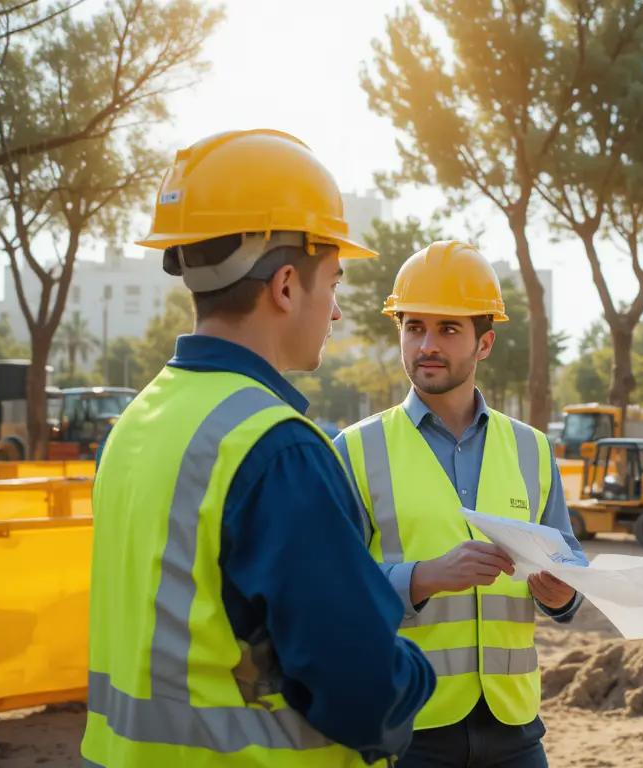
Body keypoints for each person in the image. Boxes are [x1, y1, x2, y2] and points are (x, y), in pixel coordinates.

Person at [81, 130, 435, 768]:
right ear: (287, 286)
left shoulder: (136, 423)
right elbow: (362, 688)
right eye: (335, 283)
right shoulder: (277, 450)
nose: (334, 312)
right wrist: (415, 672)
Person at [336, 240, 587, 768]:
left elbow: (569, 576)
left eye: (448, 329)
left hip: (515, 727)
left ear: (485, 343)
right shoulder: (356, 449)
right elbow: (332, 592)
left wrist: (563, 592)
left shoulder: (532, 448)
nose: (427, 344)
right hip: (406, 727)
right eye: (414, 327)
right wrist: (422, 577)